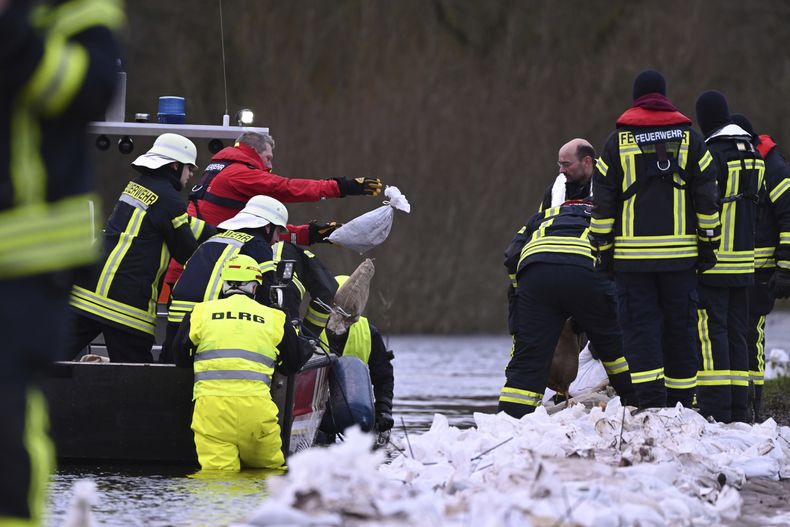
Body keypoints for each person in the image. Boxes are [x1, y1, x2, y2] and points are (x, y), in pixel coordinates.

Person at [0, 0, 123, 524]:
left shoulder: (76, 14)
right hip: (95, 300)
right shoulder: (173, 202)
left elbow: (85, 88)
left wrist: (11, 29)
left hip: (26, 264)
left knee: (7, 420)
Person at [590, 70, 721, 410]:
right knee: (681, 328)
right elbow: (707, 199)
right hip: (681, 259)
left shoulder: (616, 143)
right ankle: (681, 404)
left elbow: (602, 207)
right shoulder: (692, 141)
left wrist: (602, 251)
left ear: (636, 99)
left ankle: (651, 405)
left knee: (640, 329)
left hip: (632, 262)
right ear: (664, 97)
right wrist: (708, 244)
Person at [163, 131, 385, 285]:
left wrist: (310, 234)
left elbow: (253, 232)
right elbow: (287, 188)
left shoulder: (220, 172)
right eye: (267, 158)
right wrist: (341, 187)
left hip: (188, 269)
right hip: (195, 272)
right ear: (252, 151)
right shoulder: (239, 174)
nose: (269, 165)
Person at [67, 133, 214, 363]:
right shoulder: (170, 198)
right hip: (126, 306)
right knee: (135, 382)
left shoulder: (136, 185)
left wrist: (217, 231)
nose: (191, 174)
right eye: (189, 168)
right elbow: (185, 251)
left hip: (88, 294)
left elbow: (163, 223)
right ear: (175, 165)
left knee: (51, 360)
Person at [173, 254, 313, 471]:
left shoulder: (199, 313)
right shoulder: (275, 317)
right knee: (269, 477)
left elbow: (179, 357)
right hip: (257, 411)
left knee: (216, 481)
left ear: (224, 283)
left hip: (212, 412)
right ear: (255, 288)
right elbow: (293, 363)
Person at [498, 198, 635, 418]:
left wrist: (520, 291)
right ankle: (636, 405)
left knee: (528, 359)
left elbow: (511, 256)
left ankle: (510, 421)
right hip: (586, 271)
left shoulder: (543, 216)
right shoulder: (611, 214)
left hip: (536, 273)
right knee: (614, 352)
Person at [694, 92, 763, 423]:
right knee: (738, 333)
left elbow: (705, 205)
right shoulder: (753, 154)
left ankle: (716, 410)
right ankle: (740, 409)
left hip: (716, 262)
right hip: (745, 262)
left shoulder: (712, 154)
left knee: (712, 334)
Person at [161, 195, 288, 363]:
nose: (278, 239)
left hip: (177, 321)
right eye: (278, 231)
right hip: (208, 324)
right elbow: (267, 293)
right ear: (266, 227)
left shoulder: (214, 239)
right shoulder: (257, 245)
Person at [730, 113, 790, 420]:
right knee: (738, 335)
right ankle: (744, 403)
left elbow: (788, 219)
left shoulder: (774, 169)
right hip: (740, 269)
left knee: (752, 336)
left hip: (762, 272)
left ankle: (753, 405)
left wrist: (784, 269)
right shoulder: (753, 164)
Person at [319, 275, 395, 436]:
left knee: (376, 438)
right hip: (317, 413)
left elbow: (383, 377)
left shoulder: (368, 332)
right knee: (321, 443)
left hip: (356, 408)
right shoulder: (311, 327)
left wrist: (383, 410)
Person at [270, 240, 338, 338]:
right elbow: (327, 289)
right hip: (287, 292)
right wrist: (310, 335)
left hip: (248, 296)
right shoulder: (290, 248)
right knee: (288, 343)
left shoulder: (243, 243)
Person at [538, 138, 595, 211]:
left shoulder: (609, 185)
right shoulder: (553, 192)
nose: (561, 170)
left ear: (586, 161)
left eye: (566, 164)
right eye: (560, 164)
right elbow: (542, 220)